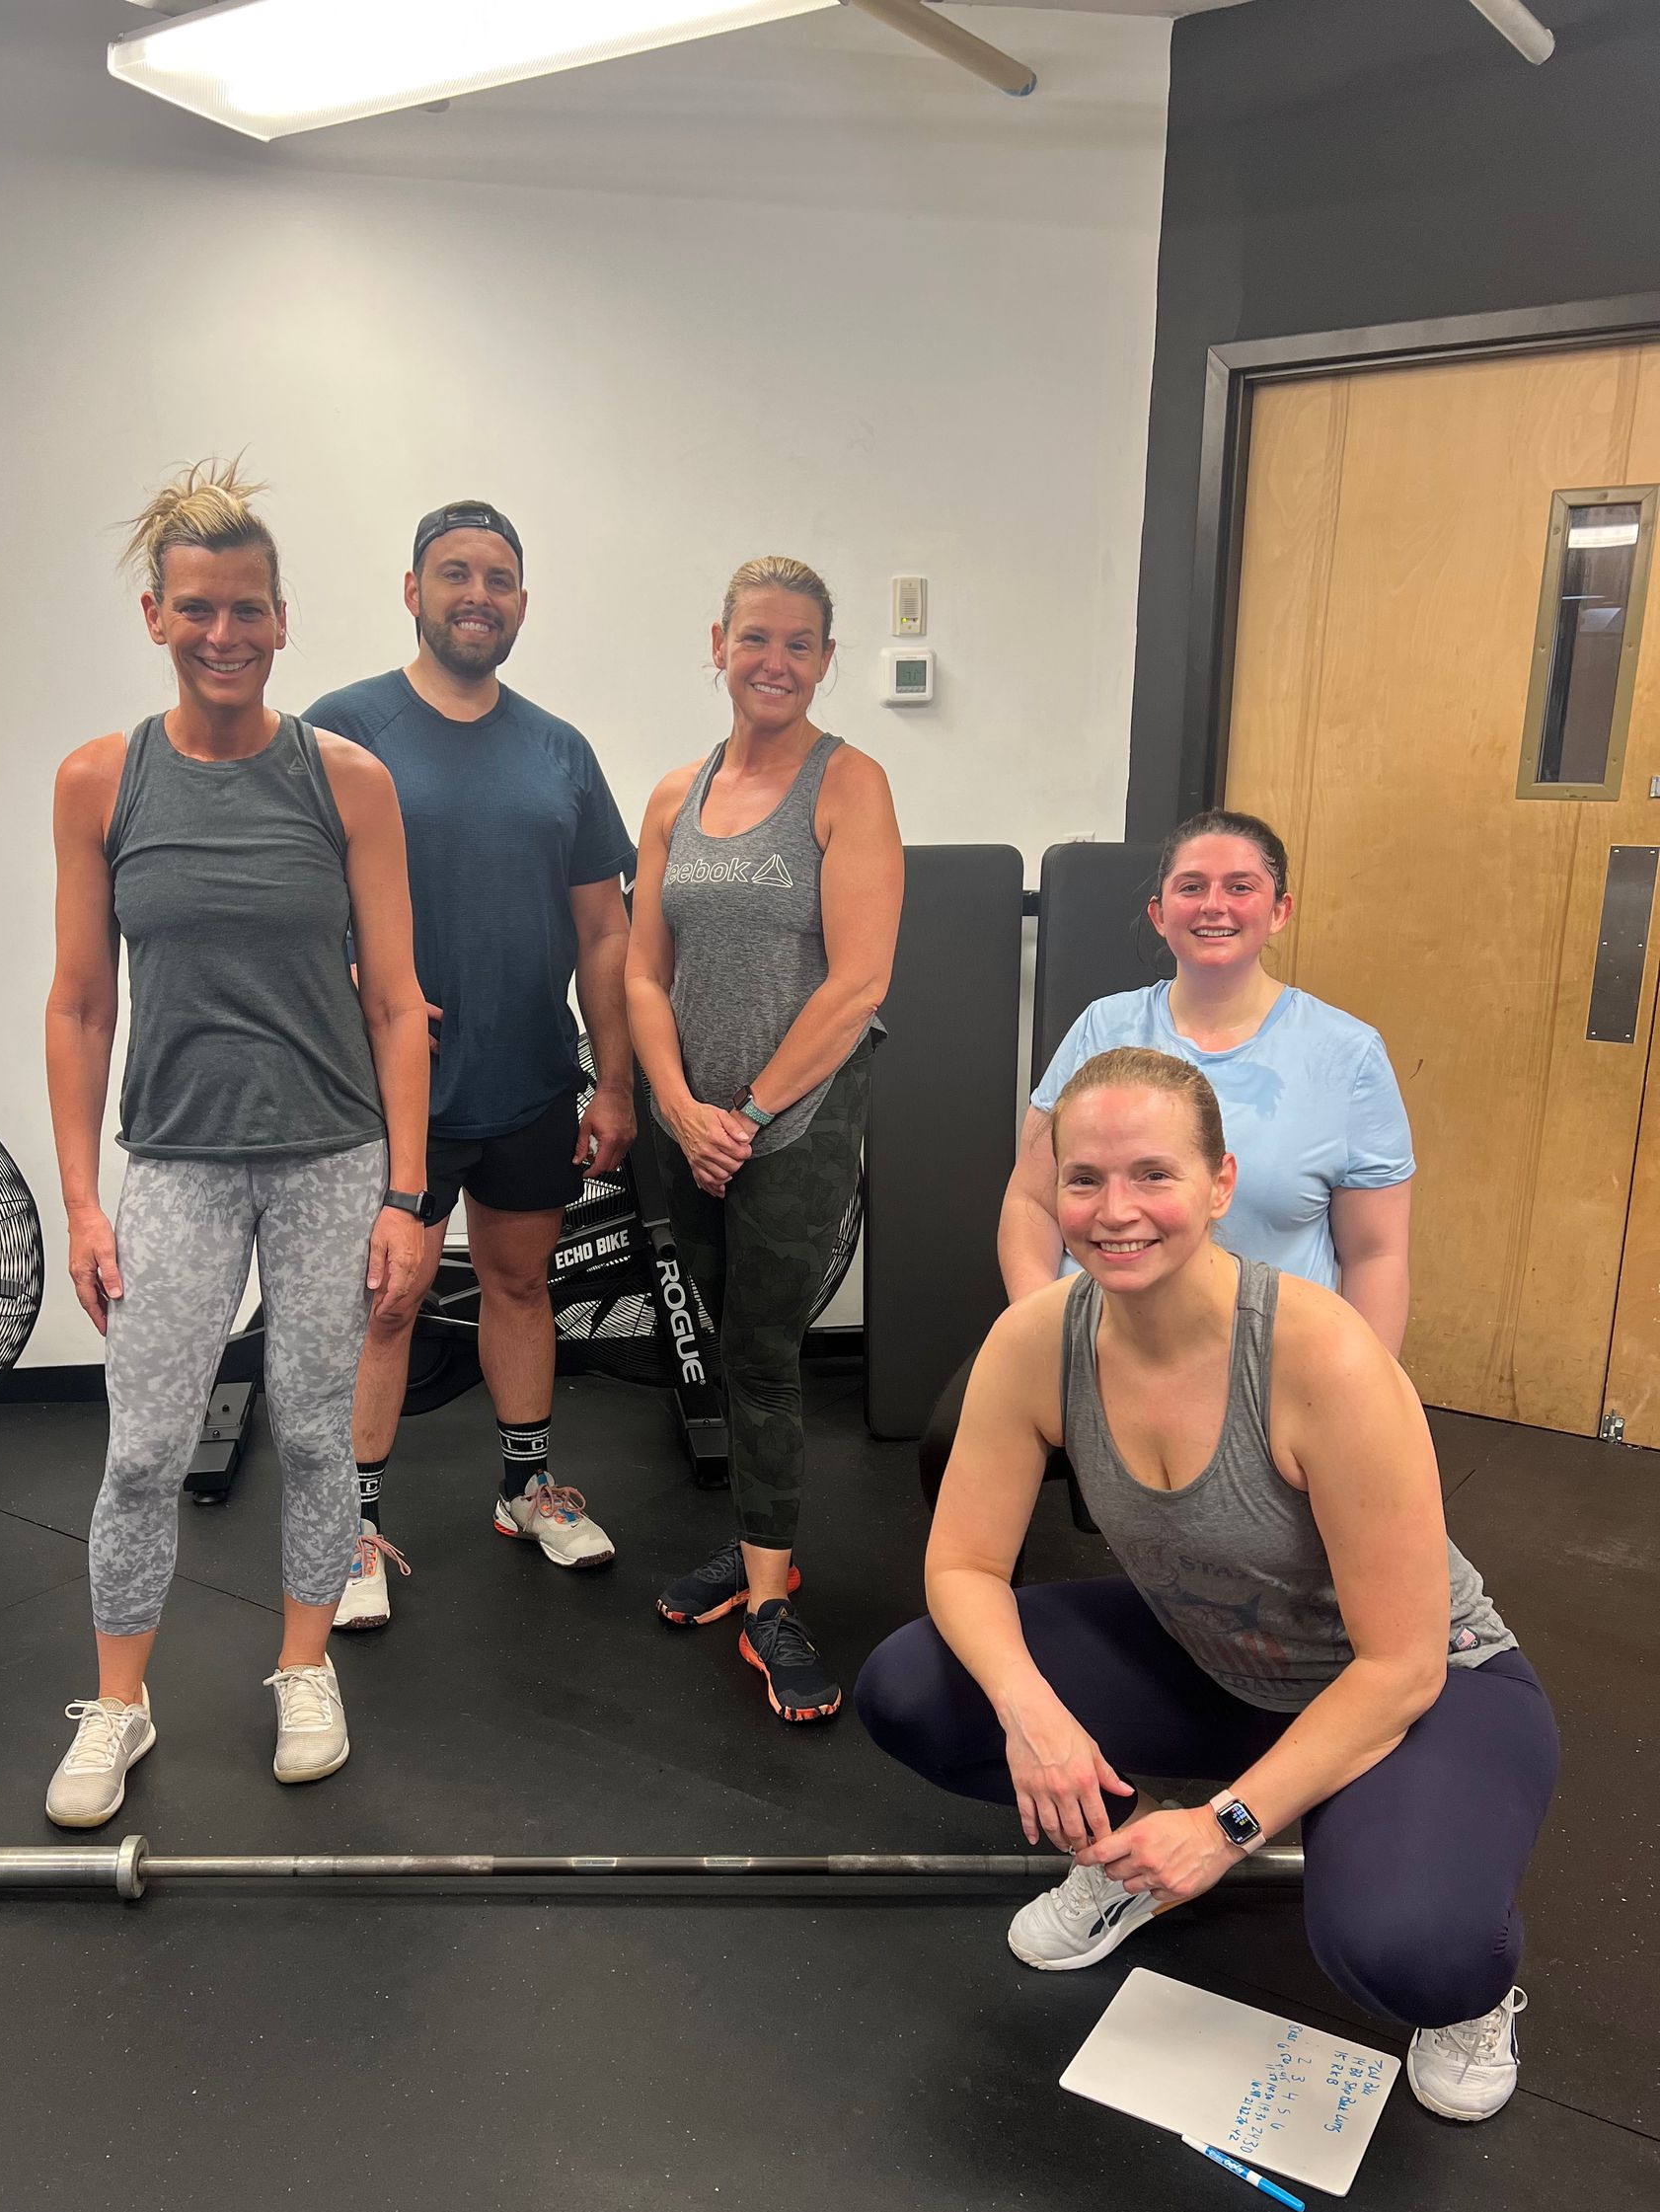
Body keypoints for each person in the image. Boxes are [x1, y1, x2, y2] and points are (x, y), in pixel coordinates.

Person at [857, 1047, 1558, 2122]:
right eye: (1083, 1179)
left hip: (1423, 1688)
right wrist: (1035, 1715)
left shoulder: (1325, 1359)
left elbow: (1401, 1662)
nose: (1114, 1210)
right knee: (917, 1685)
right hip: (1217, 1657)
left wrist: (1228, 1827)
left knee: (1407, 1946)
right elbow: (961, 1565)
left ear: (1221, 1183)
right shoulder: (1037, 1339)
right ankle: (1130, 1856)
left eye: (1153, 1174)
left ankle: (1469, 1989)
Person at [43, 462, 431, 1827]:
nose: (226, 635)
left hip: (331, 1157)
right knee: (144, 1451)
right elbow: (81, 1000)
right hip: (175, 1163)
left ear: (282, 621)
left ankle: (304, 1666)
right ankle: (119, 1704)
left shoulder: (350, 785)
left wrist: (404, 1192)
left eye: (250, 610)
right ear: (156, 614)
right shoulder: (102, 781)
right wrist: (84, 1199)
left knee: (321, 1439)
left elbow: (396, 1002)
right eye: (199, 609)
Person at [304, 501, 637, 1628]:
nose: (477, 594)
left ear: (522, 605)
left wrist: (620, 1081)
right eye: (455, 573)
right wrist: (350, 986)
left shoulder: (560, 750)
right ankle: (344, 1530)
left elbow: (604, 933)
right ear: (413, 590)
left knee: (520, 1282)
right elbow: (293, 901)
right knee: (386, 1302)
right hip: (390, 1090)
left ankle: (524, 1490)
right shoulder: (346, 727)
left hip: (533, 1075)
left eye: (498, 578)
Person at [920, 807, 1414, 1505]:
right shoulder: (1103, 1027)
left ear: (1280, 911)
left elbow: (1376, 1254)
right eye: (1191, 887)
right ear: (1160, 913)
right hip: (1103, 1336)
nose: (1214, 905)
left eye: (1241, 886)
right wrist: (1042, 1334)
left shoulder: (1347, 1055)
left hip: (1265, 1354)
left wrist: (1365, 1390)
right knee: (949, 1444)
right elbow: (1030, 1200)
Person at [626, 558, 904, 1722]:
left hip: (789, 1126)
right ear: (718, 644)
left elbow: (858, 984)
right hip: (687, 1123)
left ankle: (775, 1596)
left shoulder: (851, 785)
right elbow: (643, 971)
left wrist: (741, 1120)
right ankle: (754, 1560)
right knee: (717, 1348)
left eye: (799, 644)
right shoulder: (672, 795)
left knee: (764, 1354)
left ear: (827, 660)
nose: (775, 662)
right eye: (756, 639)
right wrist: (682, 1108)